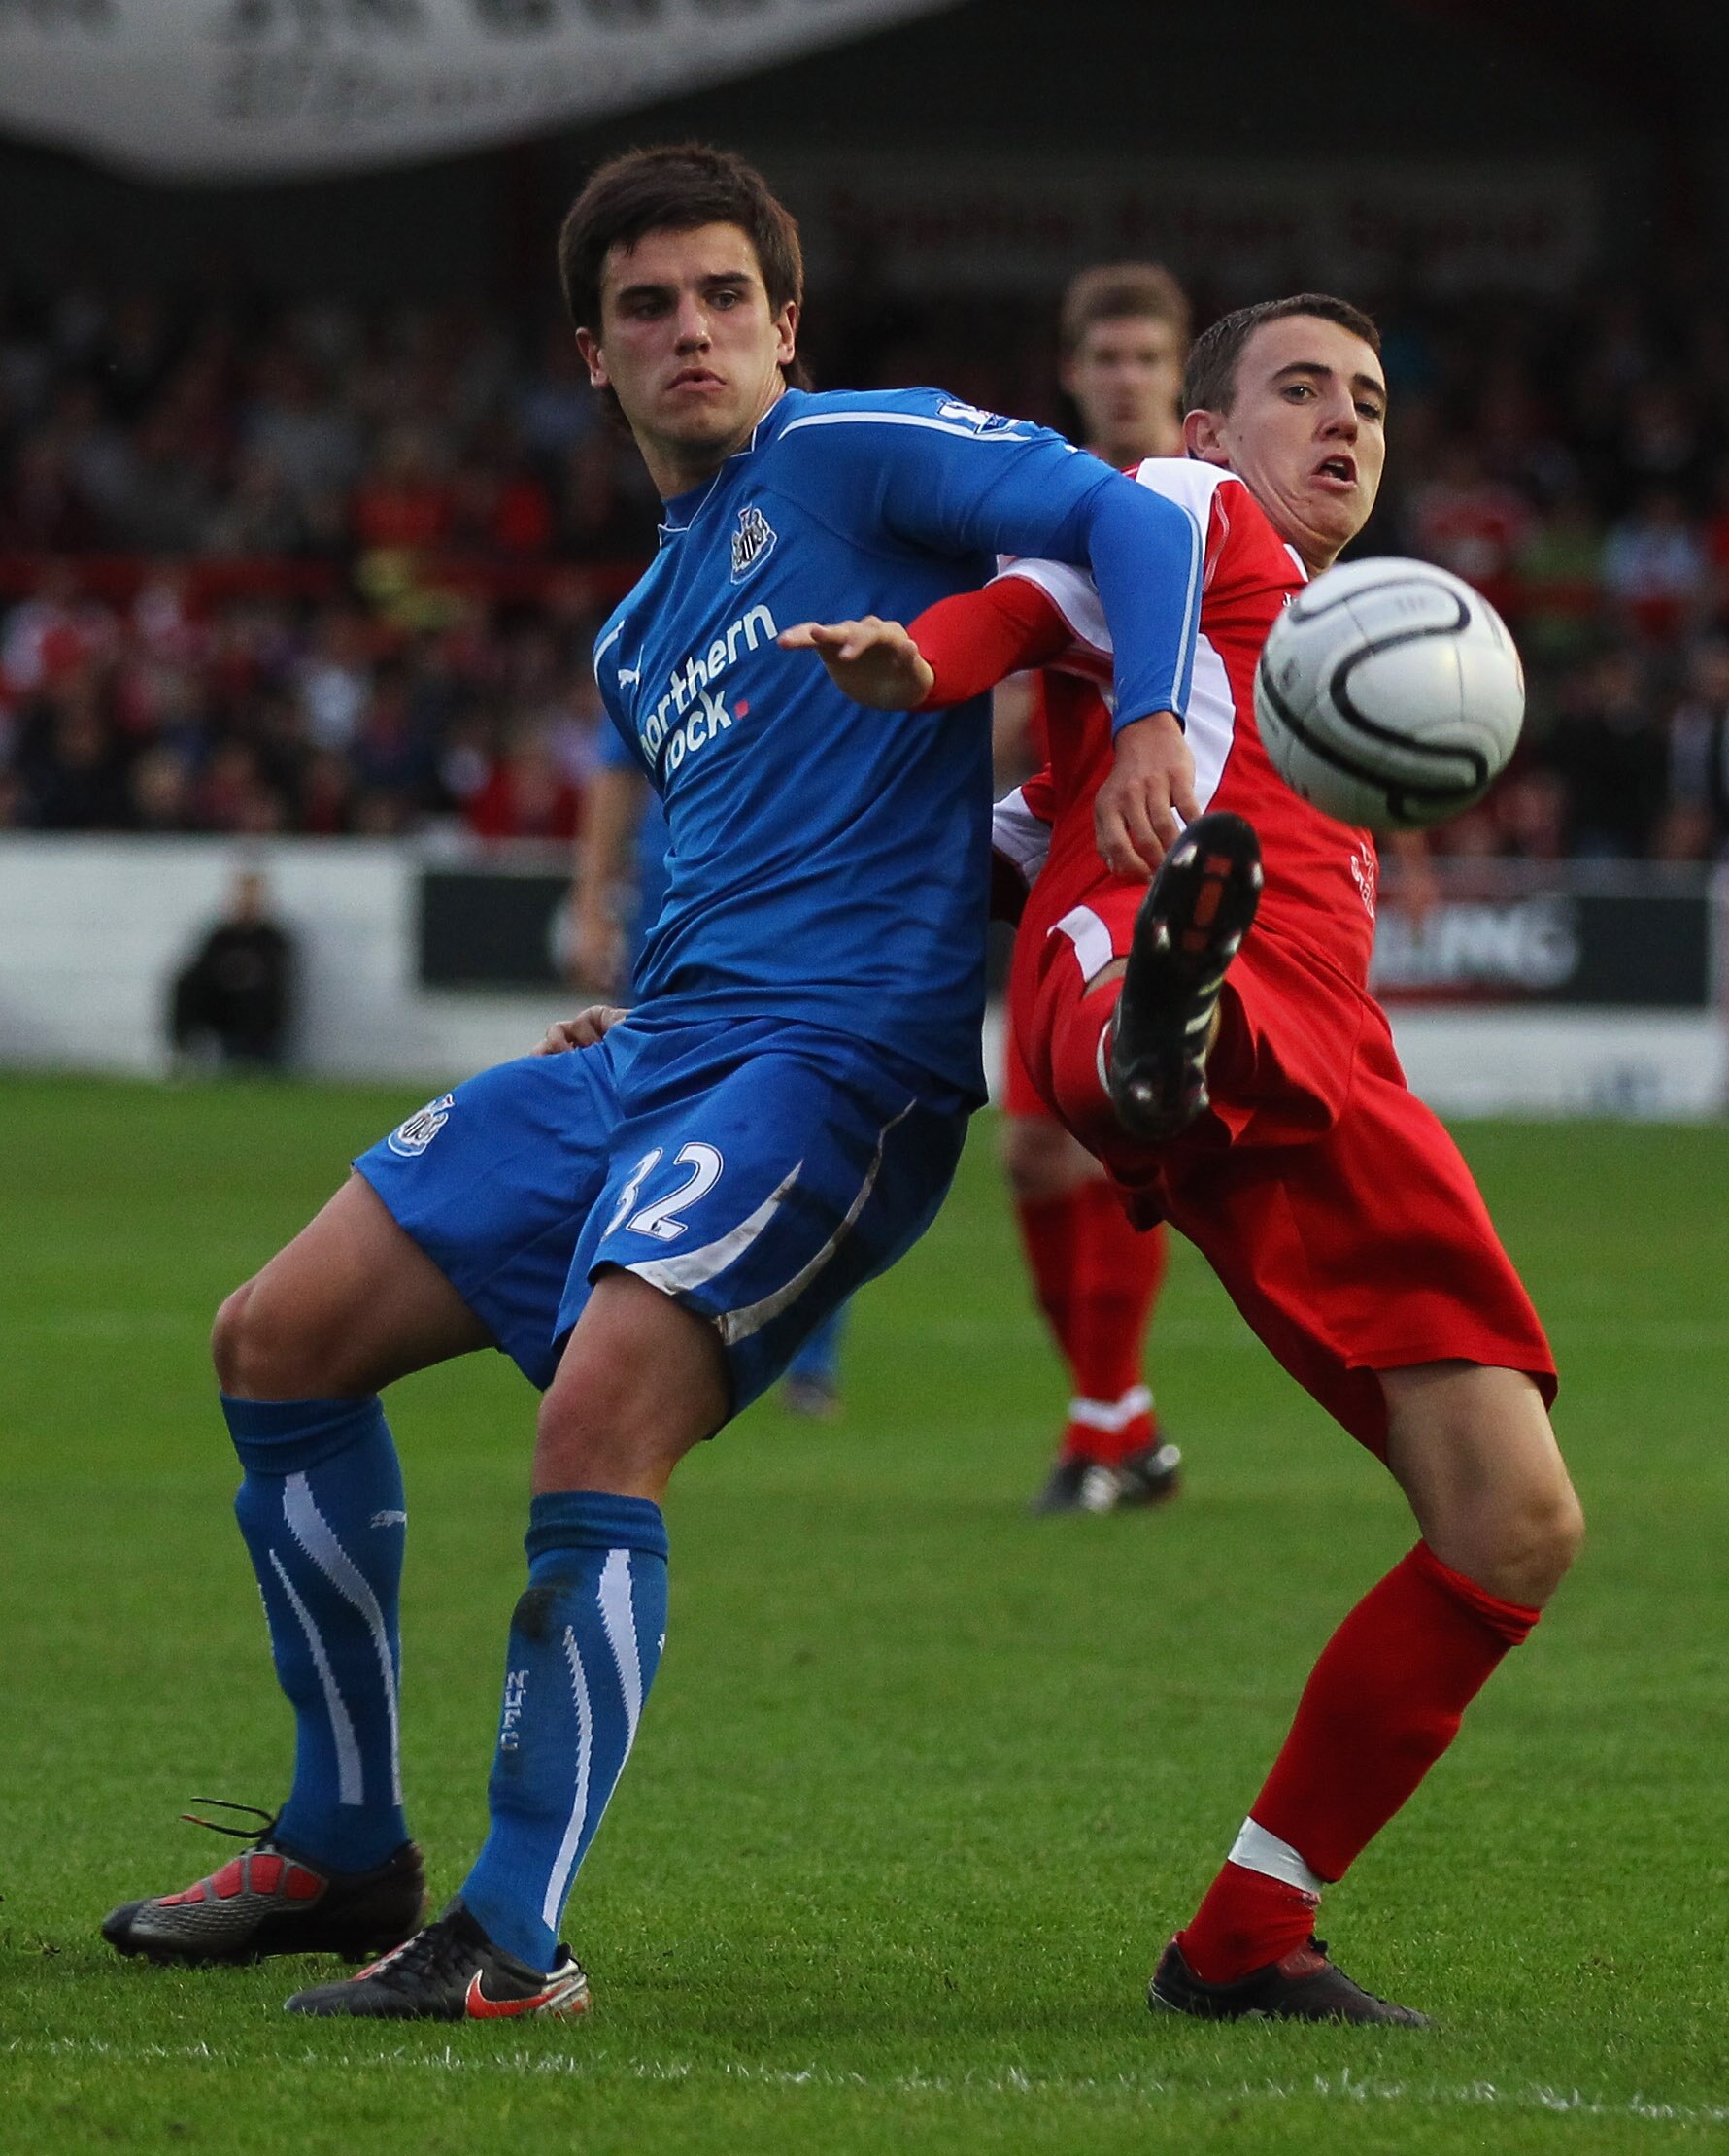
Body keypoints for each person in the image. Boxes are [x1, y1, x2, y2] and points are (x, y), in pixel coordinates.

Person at [100, 143, 1206, 2020]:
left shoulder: (855, 450)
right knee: (274, 1338)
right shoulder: (638, 631)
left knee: (599, 1418)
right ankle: (338, 1836)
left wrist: (1157, 721)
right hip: (661, 1053)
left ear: (787, 326)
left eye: (719, 300)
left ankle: (511, 1943)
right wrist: (633, 999)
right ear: (591, 357)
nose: (686, 332)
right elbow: (730, 840)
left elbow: (1147, 523)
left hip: (833, 1067)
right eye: (644, 309)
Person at [789, 294, 1582, 2026]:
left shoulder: (1354, 624)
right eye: (1302, 390)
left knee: (1514, 1523)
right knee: (1135, 1007)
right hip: (1142, 921)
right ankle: (1162, 1053)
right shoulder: (1178, 508)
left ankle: (1243, 1942)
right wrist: (925, 663)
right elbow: (1027, 596)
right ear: (1215, 429)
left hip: (1335, 1067)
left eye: (1372, 398)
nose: (1348, 423)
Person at [1005, 262, 1192, 1514]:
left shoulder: (1215, 507)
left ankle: (1096, 1422)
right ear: (1073, 374)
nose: (1124, 379)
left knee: (1117, 1135)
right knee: (1029, 1154)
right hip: (1061, 855)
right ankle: (1119, 1415)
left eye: (1146, 360)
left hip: (1171, 864)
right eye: (1105, 359)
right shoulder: (1039, 509)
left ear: (1181, 381)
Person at [568, 722, 851, 1417]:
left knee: (805, 1129)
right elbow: (617, 768)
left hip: (790, 912)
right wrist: (591, 905)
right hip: (671, 914)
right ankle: (618, 1331)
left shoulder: (813, 631)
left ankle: (805, 1358)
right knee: (647, 1126)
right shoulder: (662, 623)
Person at [168, 869, 295, 1072]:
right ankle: (183, 1052)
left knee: (258, 997)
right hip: (224, 1008)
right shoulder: (220, 937)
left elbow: (278, 979)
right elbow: (204, 972)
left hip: (259, 1013)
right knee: (185, 985)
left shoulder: (272, 938)